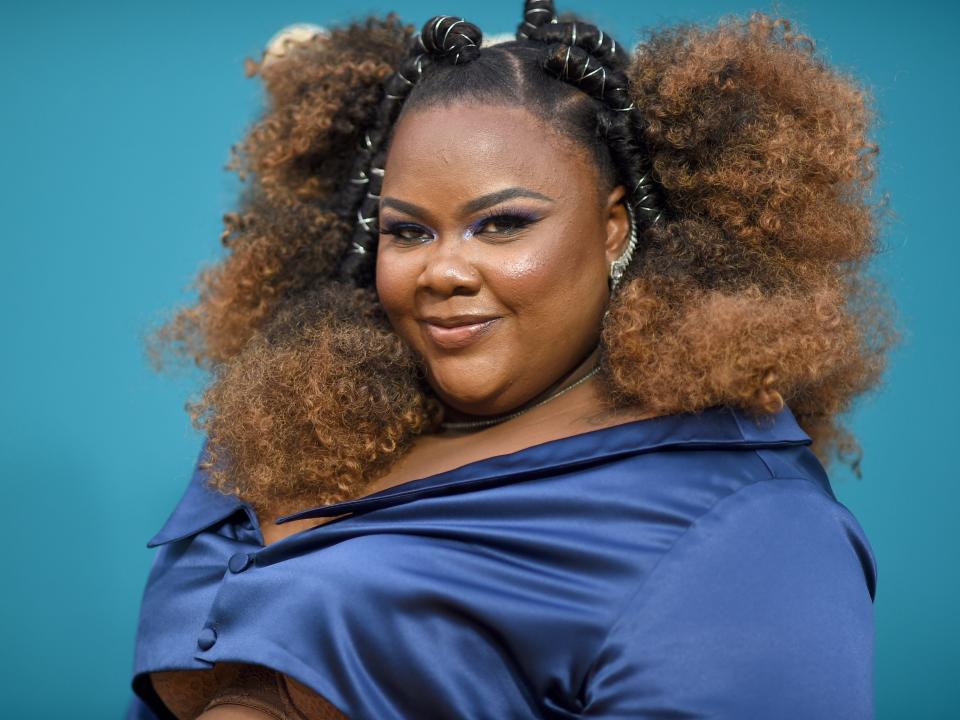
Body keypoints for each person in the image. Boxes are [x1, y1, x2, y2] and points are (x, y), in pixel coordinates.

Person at [127, 1, 899, 718]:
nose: (444, 270)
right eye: (409, 232)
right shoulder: (296, 439)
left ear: (612, 229)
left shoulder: (747, 528)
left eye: (501, 224)